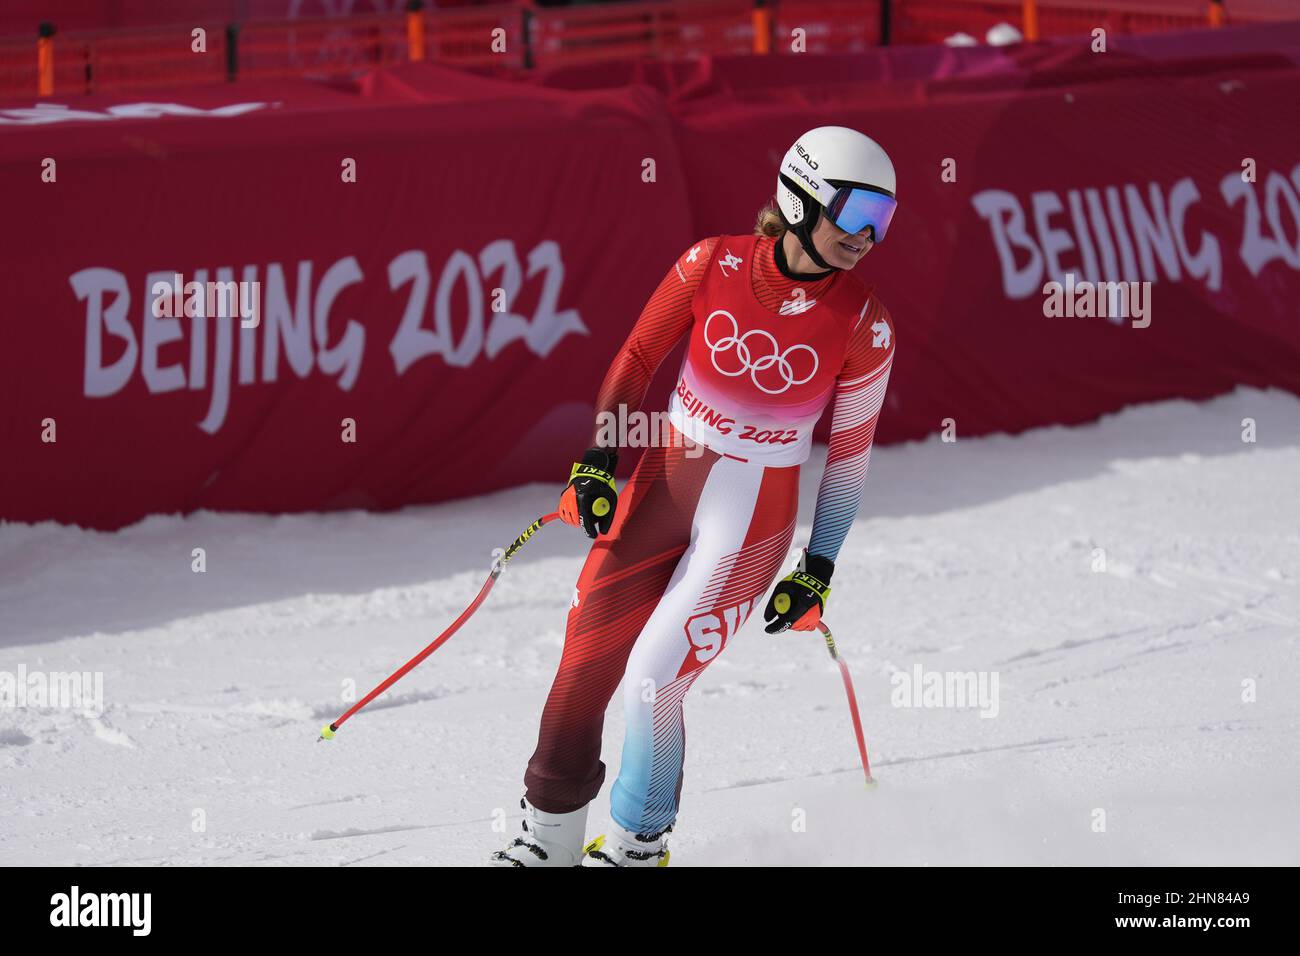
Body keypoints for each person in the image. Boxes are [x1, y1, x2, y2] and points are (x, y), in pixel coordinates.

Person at [492, 126, 898, 866]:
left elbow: (848, 459)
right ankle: (546, 840)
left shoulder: (866, 324)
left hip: (751, 518)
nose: (869, 235)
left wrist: (819, 566)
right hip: (663, 483)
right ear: (802, 197)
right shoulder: (710, 262)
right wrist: (597, 461)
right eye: (858, 210)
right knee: (584, 660)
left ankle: (636, 851)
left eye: (885, 219)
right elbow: (638, 358)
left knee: (654, 679)